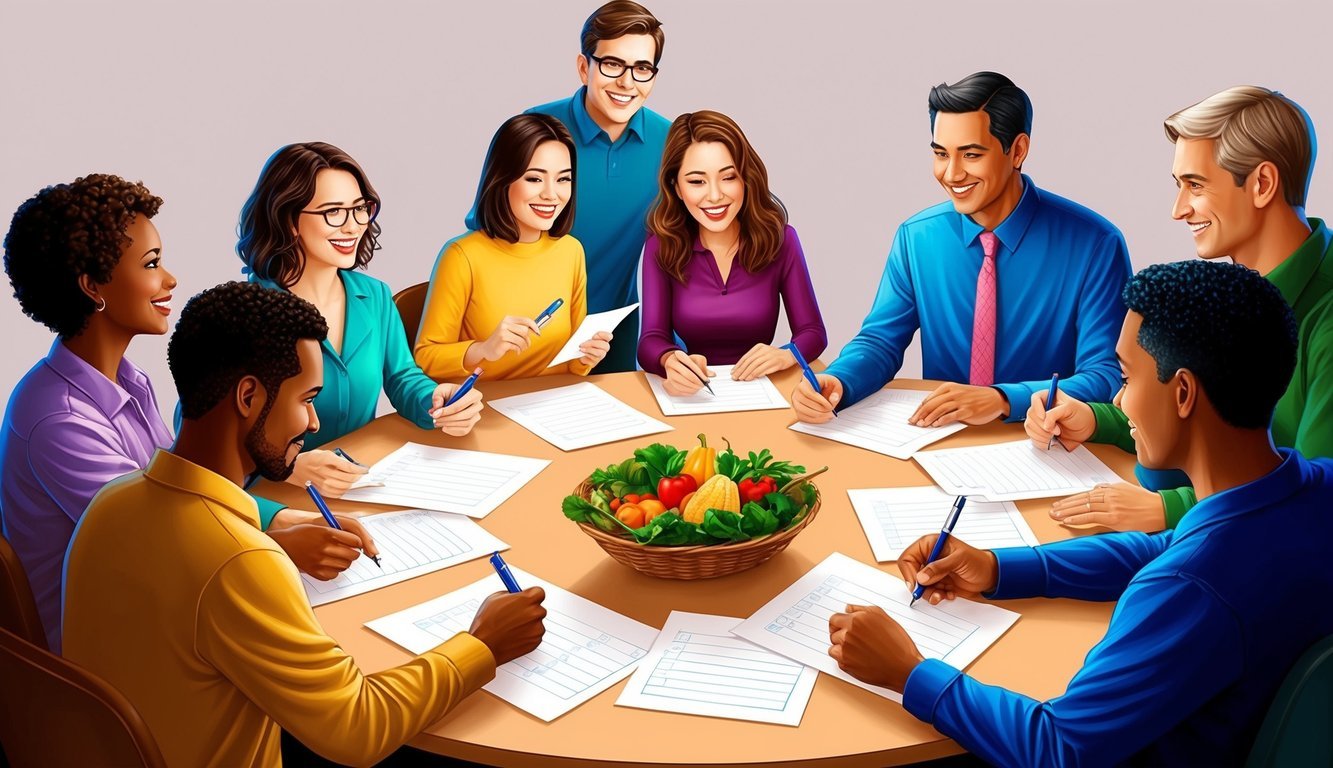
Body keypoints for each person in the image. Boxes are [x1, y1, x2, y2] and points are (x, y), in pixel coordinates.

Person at [827, 260, 1333, 767]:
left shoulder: (1190, 588)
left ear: (1182, 393)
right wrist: (998, 568)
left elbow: (1058, 749)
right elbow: (1163, 545)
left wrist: (909, 671)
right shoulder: (1315, 490)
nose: (1118, 398)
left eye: (1129, 377)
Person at [63, 282, 547, 768]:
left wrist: (272, 531)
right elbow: (358, 729)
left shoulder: (110, 504)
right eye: (306, 398)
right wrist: (483, 643)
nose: (314, 422)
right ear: (248, 396)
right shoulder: (241, 561)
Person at [0, 175, 371, 655]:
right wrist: (280, 547)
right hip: (104, 653)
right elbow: (162, 540)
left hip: (151, 600)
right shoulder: (59, 421)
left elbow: (182, 492)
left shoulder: (127, 381)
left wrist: (280, 521)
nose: (170, 279)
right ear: (93, 287)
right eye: (151, 264)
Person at [1027, 86, 1333, 531]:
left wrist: (1169, 509)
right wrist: (1097, 419)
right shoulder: (1230, 291)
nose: (1178, 210)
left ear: (1263, 184)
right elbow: (1198, 415)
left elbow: (1314, 501)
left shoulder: (1325, 321)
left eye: (1195, 185)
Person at [791, 71, 1130, 427]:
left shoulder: (1096, 244)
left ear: (1017, 151)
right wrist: (840, 380)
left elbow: (1104, 375)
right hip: (937, 440)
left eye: (970, 154)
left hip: (1047, 444)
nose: (951, 174)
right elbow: (881, 342)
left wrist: (1002, 399)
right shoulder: (917, 238)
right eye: (941, 154)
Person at [239, 141, 484, 509]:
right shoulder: (243, 314)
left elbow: (402, 377)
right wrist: (286, 467)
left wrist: (435, 400)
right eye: (333, 212)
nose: (353, 226)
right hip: (278, 500)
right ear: (289, 220)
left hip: (361, 485)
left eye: (359, 209)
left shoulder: (375, 296)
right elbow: (207, 437)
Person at [637, 110, 827, 394]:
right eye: (696, 182)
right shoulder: (661, 245)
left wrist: (787, 354)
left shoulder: (782, 240)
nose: (715, 195)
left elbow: (813, 332)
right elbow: (651, 339)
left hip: (763, 391)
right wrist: (669, 360)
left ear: (746, 178)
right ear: (676, 187)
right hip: (694, 396)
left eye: (728, 177)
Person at [527, 0, 670, 373]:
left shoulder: (670, 142)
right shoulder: (531, 129)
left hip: (611, 339)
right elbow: (486, 235)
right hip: (527, 333)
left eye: (642, 69)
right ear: (583, 67)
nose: (626, 82)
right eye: (612, 64)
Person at [414, 114, 612, 380]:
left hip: (555, 405)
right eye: (534, 179)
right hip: (483, 409)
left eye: (563, 179)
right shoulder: (462, 256)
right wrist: (483, 349)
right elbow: (426, 358)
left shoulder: (571, 251)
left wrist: (587, 356)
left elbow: (572, 363)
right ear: (502, 179)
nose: (551, 194)